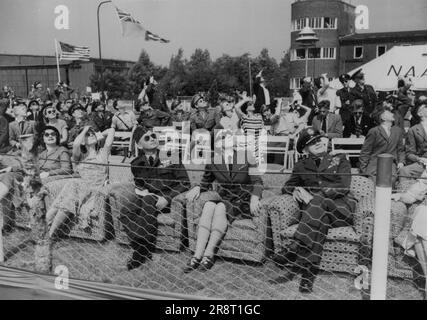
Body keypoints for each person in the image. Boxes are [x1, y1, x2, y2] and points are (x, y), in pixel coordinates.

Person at [271, 127, 356, 293]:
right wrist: (295, 190)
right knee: (320, 220)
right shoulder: (301, 165)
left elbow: (344, 186)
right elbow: (287, 186)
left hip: (340, 211)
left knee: (317, 201)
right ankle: (307, 277)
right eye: (311, 142)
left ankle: (295, 246)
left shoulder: (339, 158)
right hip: (318, 215)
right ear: (305, 149)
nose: (317, 143)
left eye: (318, 140)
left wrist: (315, 194)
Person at [184, 129, 263, 272]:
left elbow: (257, 181)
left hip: (243, 200)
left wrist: (255, 197)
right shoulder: (213, 160)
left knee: (220, 207)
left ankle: (209, 254)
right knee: (208, 205)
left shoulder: (246, 155)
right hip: (226, 199)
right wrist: (197, 188)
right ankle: (197, 255)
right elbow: (205, 182)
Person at [119, 126, 191, 270]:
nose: (152, 139)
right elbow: (139, 185)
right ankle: (142, 247)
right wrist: (142, 191)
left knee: (148, 200)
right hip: (149, 199)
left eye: (153, 136)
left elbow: (185, 183)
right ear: (139, 145)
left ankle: (139, 252)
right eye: (147, 138)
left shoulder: (170, 155)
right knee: (126, 210)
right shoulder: (136, 164)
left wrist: (167, 198)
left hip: (168, 201)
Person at [45, 126, 115, 237]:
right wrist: (85, 130)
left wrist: (96, 135)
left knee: (72, 187)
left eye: (92, 134)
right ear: (83, 141)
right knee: (71, 190)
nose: (91, 135)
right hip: (80, 189)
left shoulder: (103, 153)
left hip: (94, 191)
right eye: (88, 135)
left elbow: (111, 131)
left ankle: (44, 228)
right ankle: (49, 233)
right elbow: (76, 144)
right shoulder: (80, 156)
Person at [359, 105, 405, 184]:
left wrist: (401, 162)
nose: (392, 114)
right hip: (375, 165)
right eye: (389, 112)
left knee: (391, 181)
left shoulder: (398, 131)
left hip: (391, 164)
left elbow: (400, 150)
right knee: (374, 183)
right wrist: (364, 171)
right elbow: (365, 152)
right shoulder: (374, 131)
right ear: (383, 118)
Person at [399, 104, 427, 182]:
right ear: (419, 113)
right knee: (404, 171)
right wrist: (419, 159)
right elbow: (409, 153)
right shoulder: (413, 130)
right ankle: (405, 193)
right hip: (423, 163)